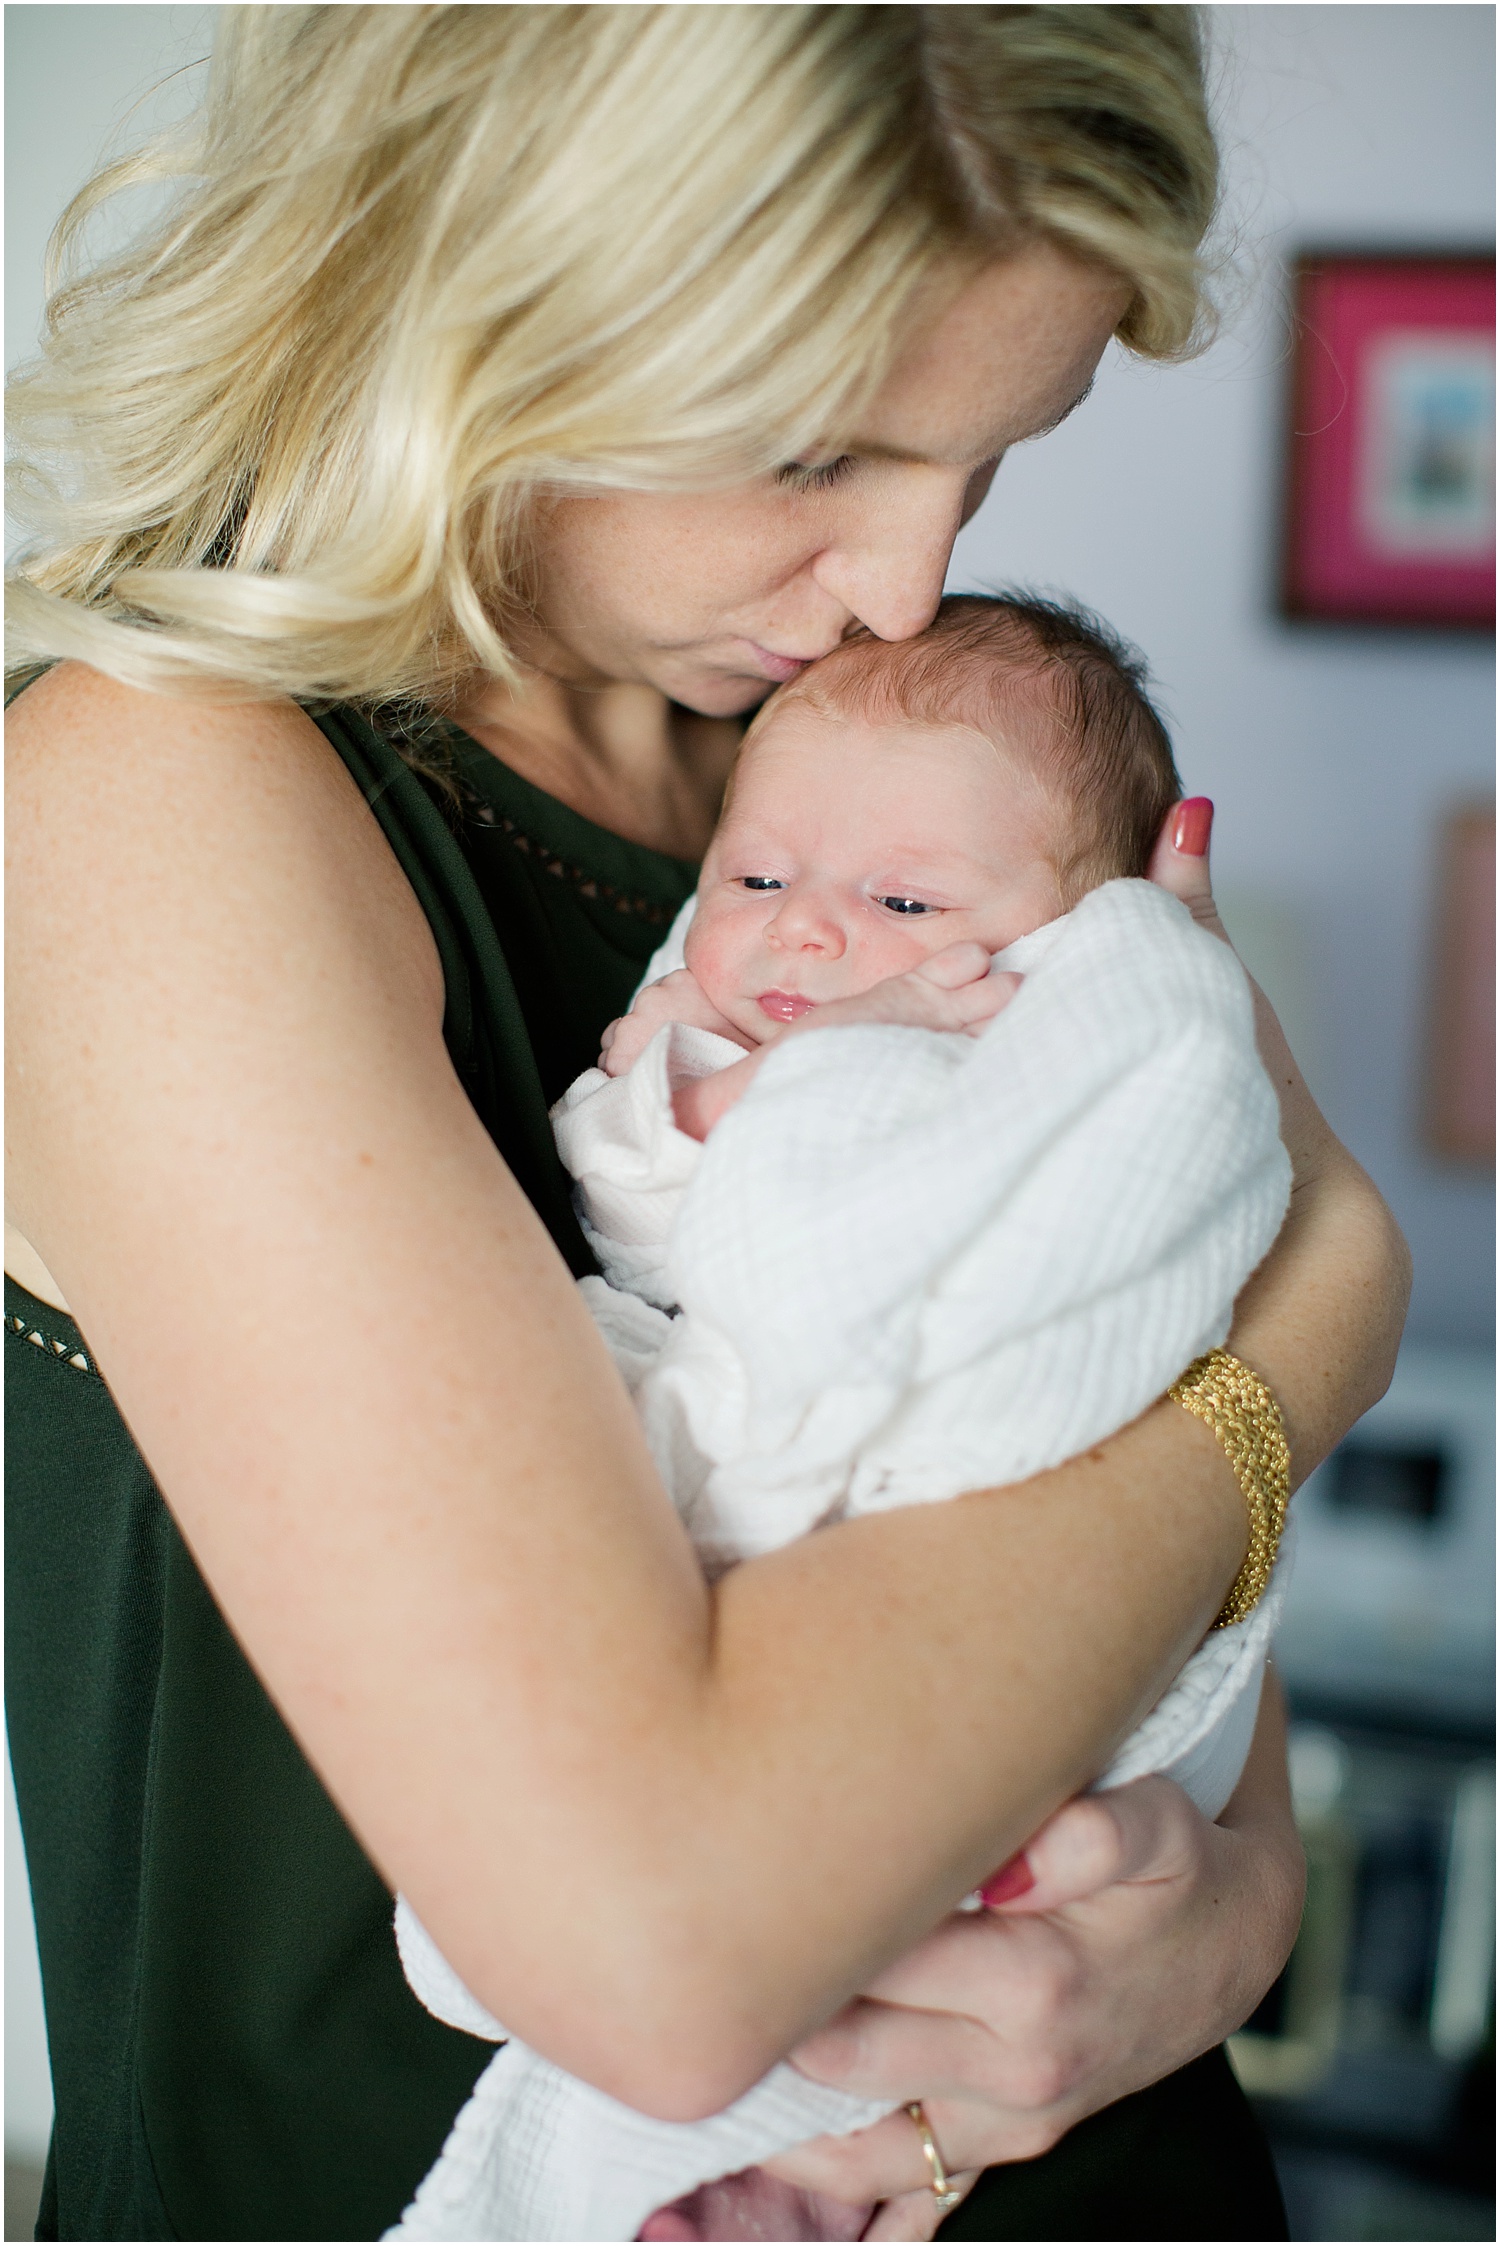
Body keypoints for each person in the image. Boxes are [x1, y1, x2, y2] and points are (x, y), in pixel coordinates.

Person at [5, 10, 1407, 2241]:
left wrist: (1214, 1932)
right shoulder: (149, 805)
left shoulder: (858, 794)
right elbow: (653, 1956)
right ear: (469, 276)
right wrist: (1318, 1340)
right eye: (809, 450)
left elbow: (1178, 1737)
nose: (906, 586)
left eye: (996, 457)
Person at [389, 592, 1295, 2244]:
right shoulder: (697, 1032)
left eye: (897, 900)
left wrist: (1252, 1904)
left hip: (982, 1615)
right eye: (753, 882)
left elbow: (1142, 1236)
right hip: (746, 1659)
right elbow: (636, 1196)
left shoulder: (1060, 1041)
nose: (802, 934)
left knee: (893, 1991)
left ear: (1060, 935)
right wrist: (730, 1094)